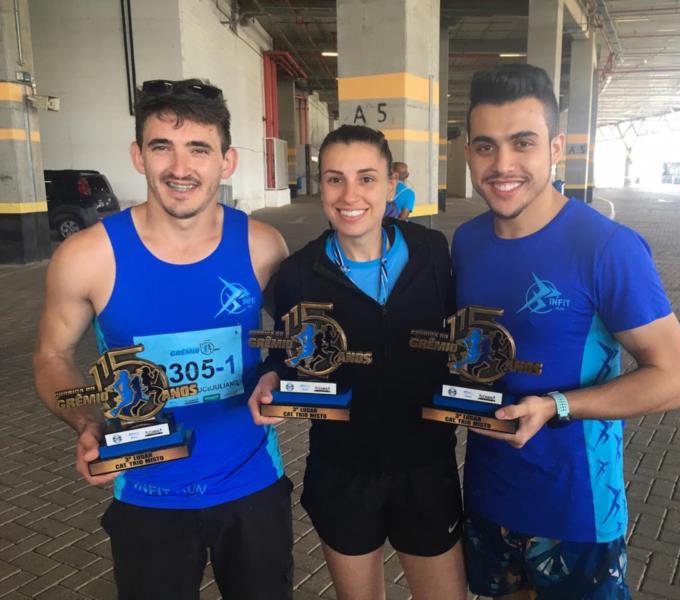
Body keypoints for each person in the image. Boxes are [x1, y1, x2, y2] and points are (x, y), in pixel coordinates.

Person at [33, 78, 293, 600]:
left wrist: (282, 377)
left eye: (199, 148)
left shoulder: (264, 247)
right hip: (148, 493)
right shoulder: (87, 256)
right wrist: (88, 421)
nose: (180, 168)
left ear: (226, 161)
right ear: (138, 155)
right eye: (162, 147)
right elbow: (51, 354)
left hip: (253, 485)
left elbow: (293, 344)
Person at [452, 63, 680, 599]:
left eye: (523, 143)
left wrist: (557, 406)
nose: (503, 164)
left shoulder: (607, 247)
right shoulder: (466, 242)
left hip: (577, 505)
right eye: (485, 146)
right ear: (468, 152)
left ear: (556, 146)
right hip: (489, 492)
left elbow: (675, 379)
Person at [249, 125, 466, 600]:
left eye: (367, 179)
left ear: (392, 186)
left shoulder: (432, 253)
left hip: (427, 466)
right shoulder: (297, 274)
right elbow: (290, 355)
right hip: (342, 470)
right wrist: (271, 375)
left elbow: (461, 341)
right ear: (320, 186)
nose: (350, 195)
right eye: (334, 179)